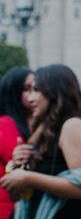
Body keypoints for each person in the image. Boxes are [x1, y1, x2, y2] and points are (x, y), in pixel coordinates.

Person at [0, 64, 81, 218]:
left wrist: (28, 178)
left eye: (35, 90)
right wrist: (17, 167)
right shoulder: (42, 130)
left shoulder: (73, 125)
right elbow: (25, 196)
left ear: (53, 92)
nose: (30, 98)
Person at [0, 67, 34, 219]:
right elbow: (27, 164)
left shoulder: (31, 122)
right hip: (7, 209)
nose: (33, 95)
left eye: (36, 88)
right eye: (27, 89)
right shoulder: (5, 125)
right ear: (14, 93)